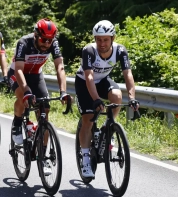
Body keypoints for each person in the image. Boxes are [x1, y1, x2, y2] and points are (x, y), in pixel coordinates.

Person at [75, 20, 139, 178]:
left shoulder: (120, 50)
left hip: (103, 80)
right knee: (88, 120)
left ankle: (107, 129)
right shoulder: (89, 50)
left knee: (117, 95)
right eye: (98, 39)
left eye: (105, 39)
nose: (102, 43)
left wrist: (132, 98)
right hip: (84, 83)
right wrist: (96, 99)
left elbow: (127, 74)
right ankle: (85, 159)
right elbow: (89, 77)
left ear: (112, 38)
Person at [8, 18, 70, 148]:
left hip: (36, 75)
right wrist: (26, 91)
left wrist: (63, 91)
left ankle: (43, 154)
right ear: (36, 35)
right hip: (17, 74)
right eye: (43, 40)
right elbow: (18, 69)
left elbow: (60, 67)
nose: (47, 44)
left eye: (50, 40)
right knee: (23, 98)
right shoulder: (24, 42)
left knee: (45, 109)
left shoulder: (53, 44)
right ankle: (17, 123)